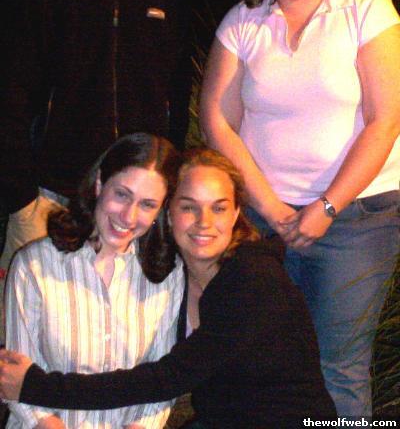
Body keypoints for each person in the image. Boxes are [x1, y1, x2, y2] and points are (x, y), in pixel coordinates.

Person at [198, 0, 400, 417]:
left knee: (338, 365)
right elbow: (216, 119)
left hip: (357, 221)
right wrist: (271, 209)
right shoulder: (244, 20)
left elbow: (385, 120)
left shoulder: (365, 5)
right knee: (268, 360)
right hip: (267, 223)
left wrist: (326, 207)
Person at [0, 148, 336, 428]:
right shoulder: (174, 274)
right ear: (169, 212)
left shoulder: (254, 279)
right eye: (189, 206)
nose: (204, 222)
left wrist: (37, 386)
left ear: (236, 213)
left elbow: (165, 378)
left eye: (219, 208)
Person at [0, 0, 190, 278]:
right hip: (52, 199)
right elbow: (11, 94)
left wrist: (166, 183)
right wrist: (21, 198)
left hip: (139, 206)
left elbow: (178, 96)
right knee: (31, 323)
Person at [3, 132, 185, 429]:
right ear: (100, 183)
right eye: (122, 194)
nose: (129, 216)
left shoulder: (168, 275)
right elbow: (16, 380)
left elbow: (161, 384)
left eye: (147, 204)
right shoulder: (34, 265)